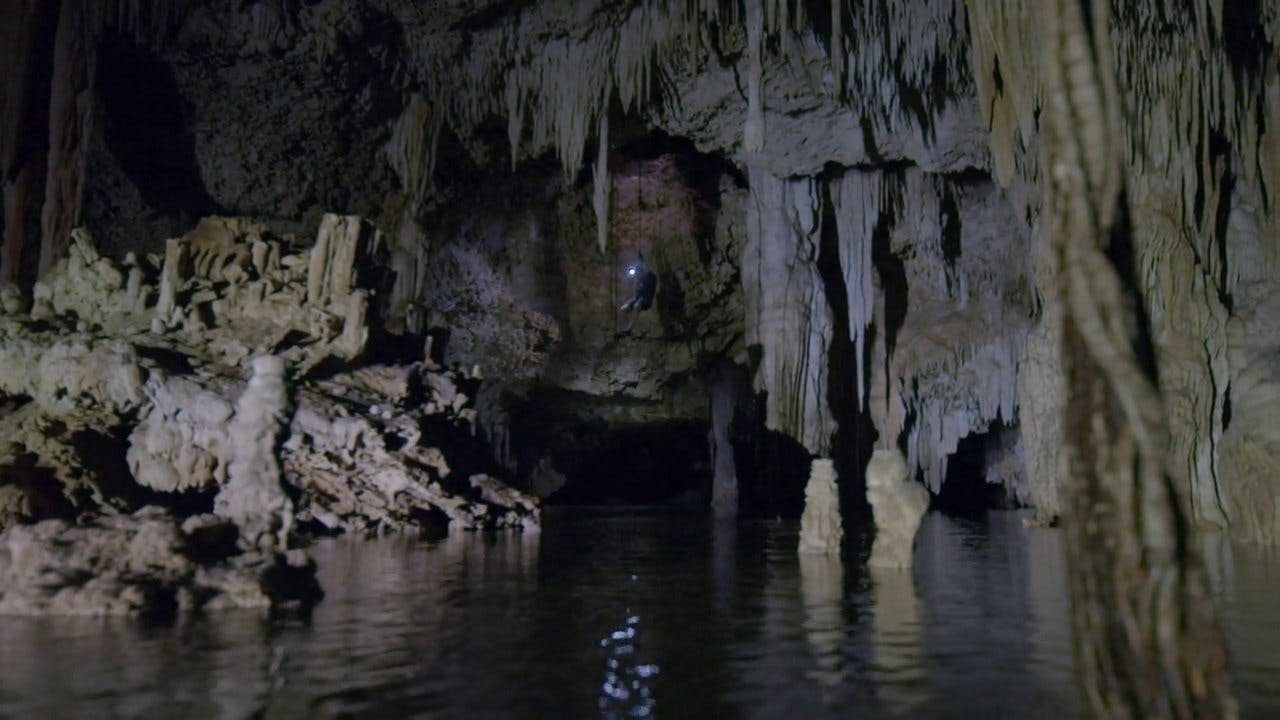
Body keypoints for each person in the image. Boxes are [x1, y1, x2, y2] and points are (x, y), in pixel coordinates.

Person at [618, 253, 657, 333]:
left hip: (646, 299)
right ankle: (622, 328)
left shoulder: (650, 276)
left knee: (636, 306)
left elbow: (650, 290)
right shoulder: (639, 277)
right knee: (623, 308)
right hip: (637, 298)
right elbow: (637, 291)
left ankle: (629, 329)